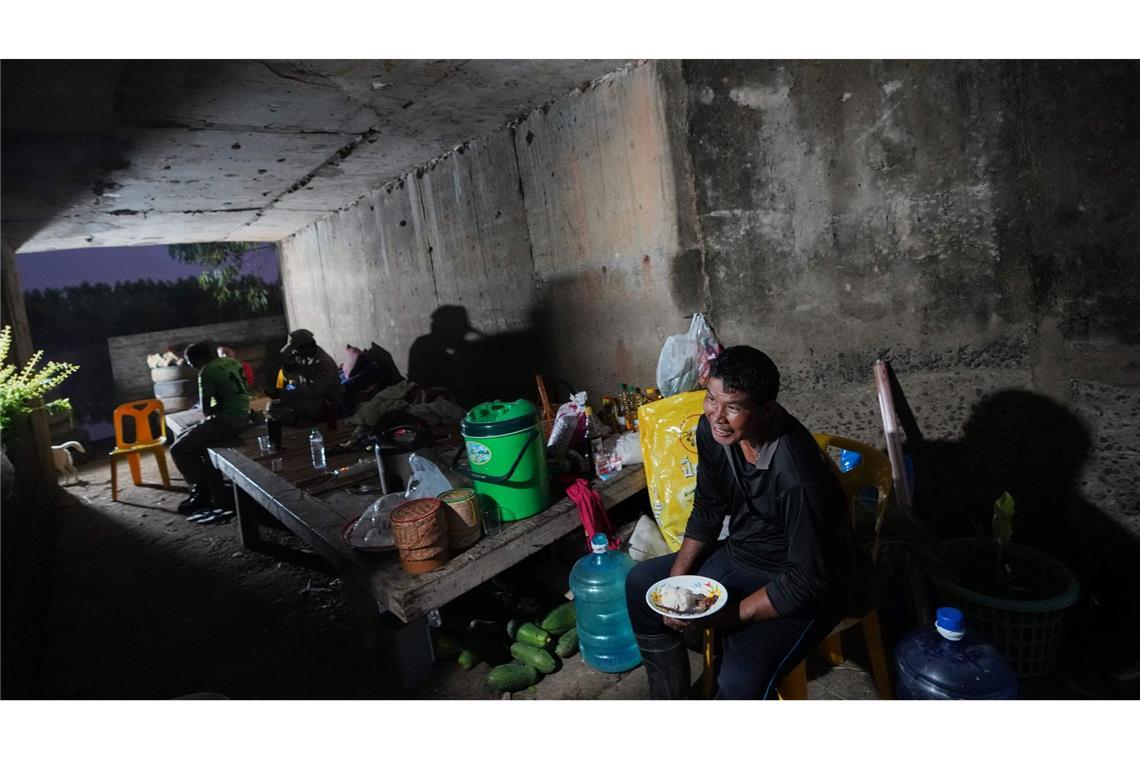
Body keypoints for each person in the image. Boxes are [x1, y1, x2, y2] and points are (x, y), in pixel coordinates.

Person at [625, 345, 856, 699]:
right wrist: (674, 584)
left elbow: (808, 581)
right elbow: (707, 509)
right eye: (711, 399)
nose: (717, 415)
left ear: (766, 410)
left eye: (733, 407)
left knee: (737, 680)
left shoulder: (797, 476)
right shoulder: (715, 432)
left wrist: (726, 617)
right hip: (743, 553)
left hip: (803, 582)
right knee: (643, 585)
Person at [170, 341, 251, 515]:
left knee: (178, 448)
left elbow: (207, 410)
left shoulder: (207, 372)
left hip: (227, 421)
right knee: (186, 436)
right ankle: (210, 487)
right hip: (244, 415)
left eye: (192, 365)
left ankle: (202, 493)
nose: (194, 368)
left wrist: (215, 407)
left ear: (197, 360)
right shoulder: (233, 362)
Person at [265, 329, 343, 426]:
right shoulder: (302, 356)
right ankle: (298, 420)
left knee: (290, 407)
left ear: (305, 348)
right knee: (272, 406)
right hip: (308, 397)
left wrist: (285, 392)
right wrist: (287, 367)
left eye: (295, 349)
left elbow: (315, 391)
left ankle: (300, 420)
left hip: (326, 401)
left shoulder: (324, 364)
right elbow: (292, 378)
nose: (294, 352)